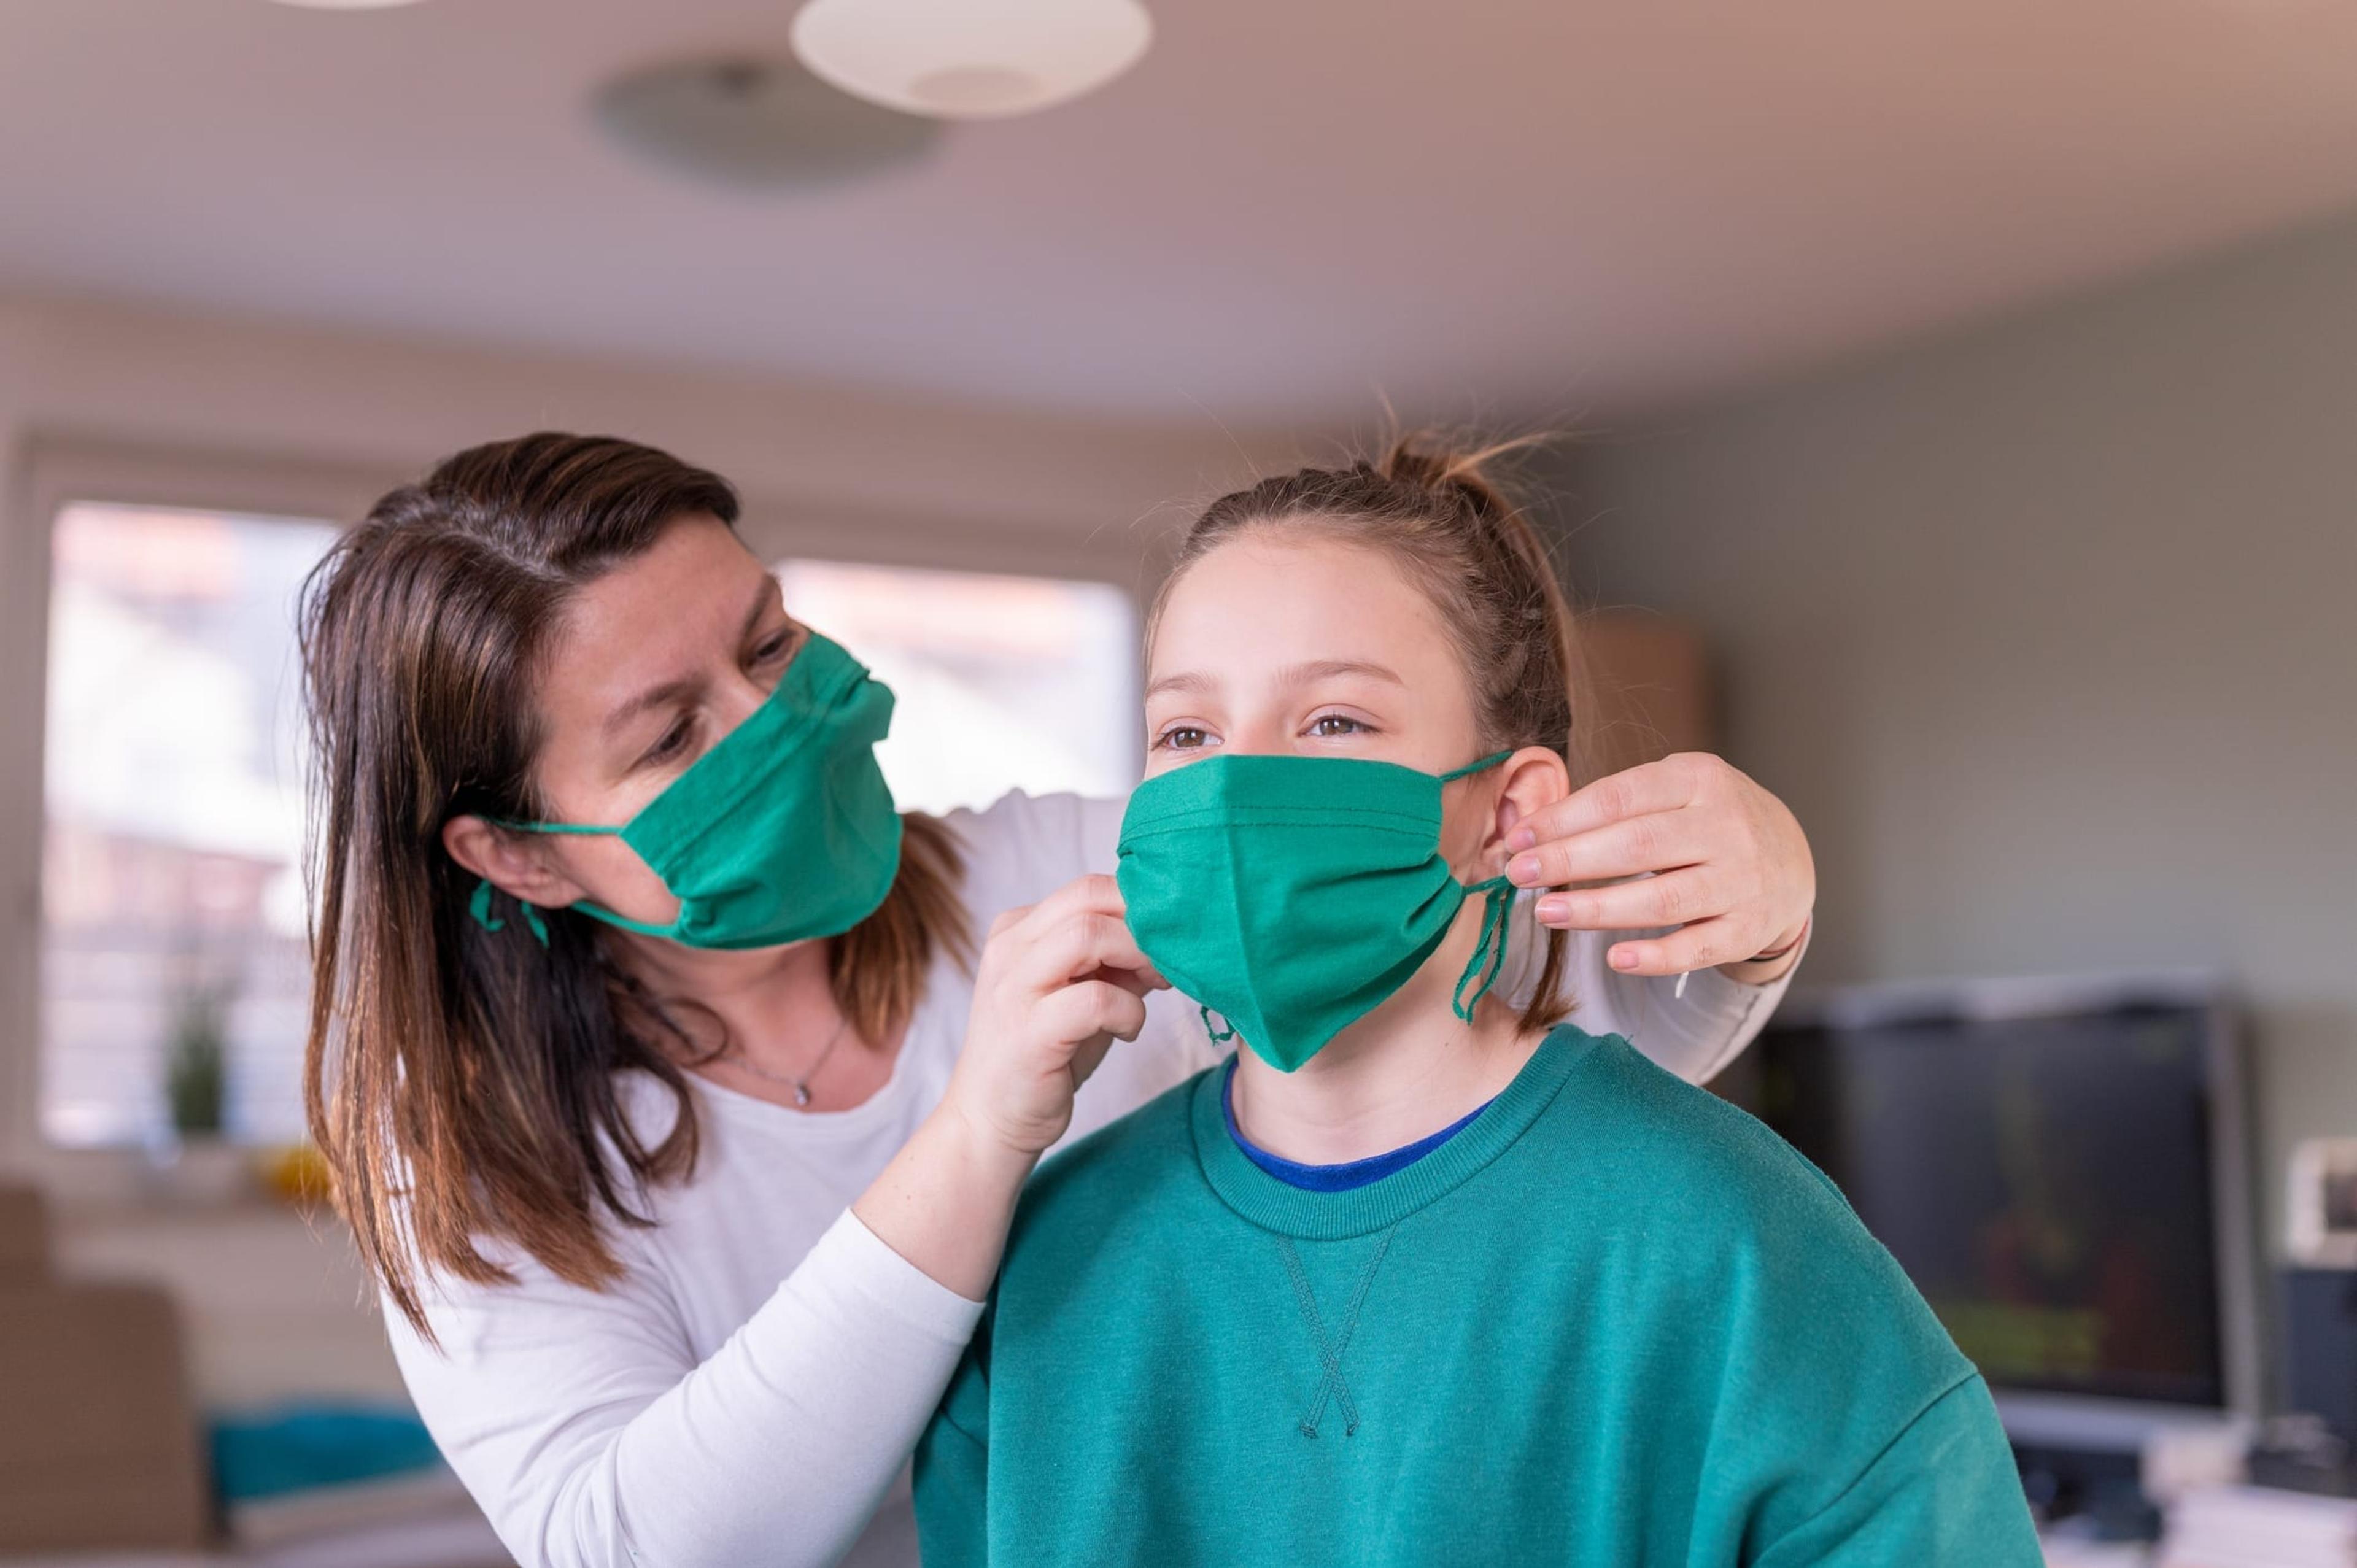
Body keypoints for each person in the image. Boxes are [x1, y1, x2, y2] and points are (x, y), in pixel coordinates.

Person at [298, 433, 1817, 1568]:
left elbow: (1565, 1028)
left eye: (769, 644)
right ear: (517, 855)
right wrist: (978, 1133)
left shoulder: (1074, 869)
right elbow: (641, 1546)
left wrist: (1751, 912)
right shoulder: (473, 1164)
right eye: (673, 736)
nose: (776, 724)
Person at [913, 441, 2040, 1566]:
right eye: (1187, 735)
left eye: (1334, 722)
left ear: (1508, 816)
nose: (1231, 790)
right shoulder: (1049, 1270)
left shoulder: (1729, 1246)